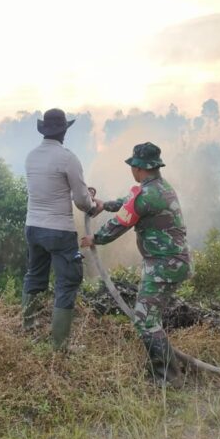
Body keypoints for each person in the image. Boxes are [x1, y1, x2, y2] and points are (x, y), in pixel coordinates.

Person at [80, 142, 190, 387]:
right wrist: (105, 204)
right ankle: (169, 368)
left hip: (164, 265)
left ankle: (168, 378)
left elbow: (121, 222)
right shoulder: (159, 188)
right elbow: (128, 200)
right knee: (150, 317)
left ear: (139, 169)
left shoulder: (147, 195)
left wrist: (94, 238)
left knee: (145, 319)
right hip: (170, 263)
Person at [23, 108, 102, 351]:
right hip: (59, 231)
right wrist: (93, 204)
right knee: (67, 281)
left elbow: (50, 189)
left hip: (33, 227)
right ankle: (59, 345)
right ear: (64, 131)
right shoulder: (68, 158)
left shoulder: (31, 156)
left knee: (35, 277)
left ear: (44, 130)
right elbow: (80, 200)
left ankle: (30, 332)